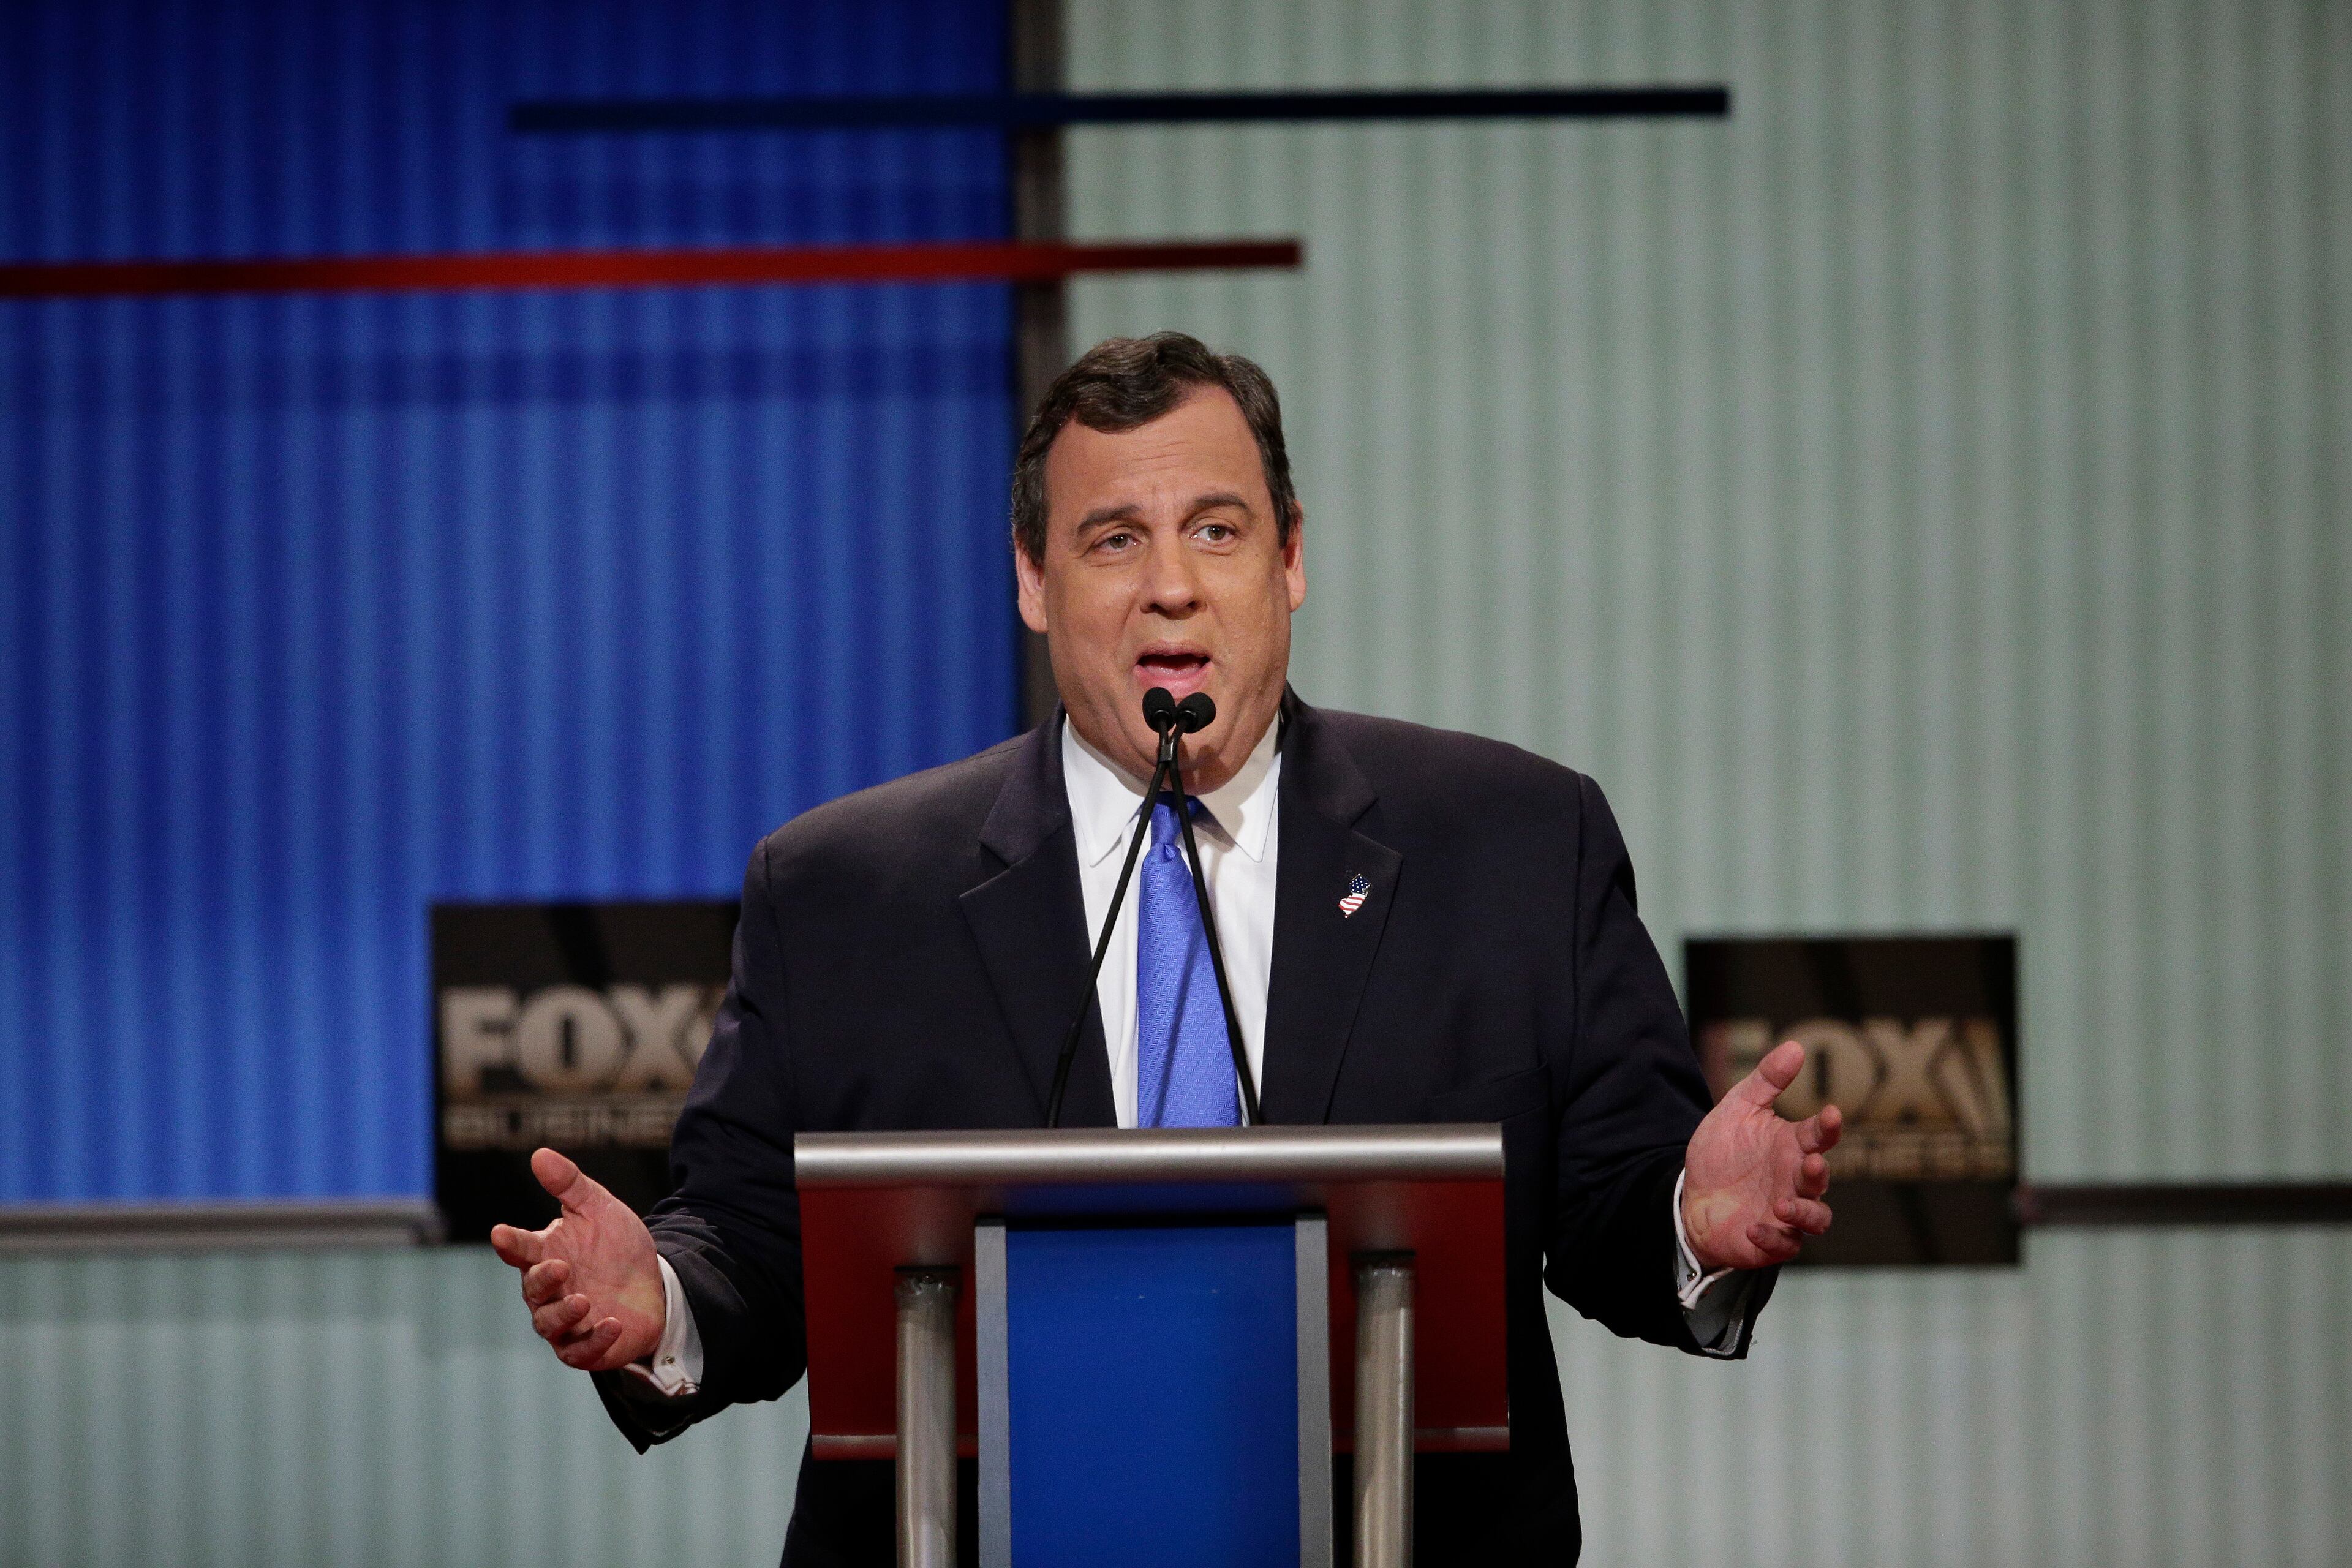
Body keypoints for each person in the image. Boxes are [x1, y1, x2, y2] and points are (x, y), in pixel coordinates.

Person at [489, 332, 1843, 1565]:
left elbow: (1612, 1197)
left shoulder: (1515, 843)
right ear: (1033, 577)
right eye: (1114, 540)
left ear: (1293, 555)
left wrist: (1694, 1216)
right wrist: (657, 1293)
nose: (1174, 590)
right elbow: (752, 1234)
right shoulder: (844, 891)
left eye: (1217, 528)